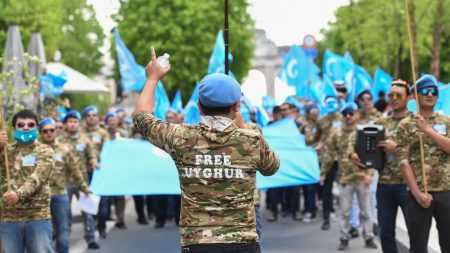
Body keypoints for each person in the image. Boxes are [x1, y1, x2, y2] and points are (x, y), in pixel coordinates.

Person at [133, 48, 280, 253]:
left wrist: (152, 78)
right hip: (242, 242)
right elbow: (272, 167)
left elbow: (142, 119)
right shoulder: (252, 140)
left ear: (200, 106)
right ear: (237, 106)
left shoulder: (180, 137)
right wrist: (244, 128)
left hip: (197, 242)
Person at [397, 75, 450, 253]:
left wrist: (428, 130)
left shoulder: (446, 122)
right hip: (419, 193)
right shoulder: (405, 124)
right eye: (425, 91)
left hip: (446, 191)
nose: (430, 95)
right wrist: (418, 193)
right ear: (416, 95)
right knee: (418, 247)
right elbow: (403, 162)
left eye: (434, 91)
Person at [321, 103, 378, 250]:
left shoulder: (364, 132)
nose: (348, 116)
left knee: (366, 211)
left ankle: (369, 237)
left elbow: (372, 154)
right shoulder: (336, 134)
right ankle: (344, 238)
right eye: (345, 113)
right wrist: (323, 173)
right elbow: (328, 154)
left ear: (357, 115)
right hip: (345, 178)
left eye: (351, 113)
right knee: (344, 212)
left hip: (362, 177)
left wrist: (370, 174)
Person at [0, 110, 55, 253]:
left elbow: (38, 178)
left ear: (36, 129)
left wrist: (18, 194)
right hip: (10, 219)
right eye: (21, 124)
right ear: (14, 129)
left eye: (30, 124)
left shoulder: (45, 150)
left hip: (37, 217)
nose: (25, 127)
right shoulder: (5, 151)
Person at [39, 117, 91, 253]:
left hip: (60, 195)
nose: (49, 133)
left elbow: (75, 170)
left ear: (56, 131)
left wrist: (84, 187)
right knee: (44, 228)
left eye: (52, 130)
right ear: (40, 133)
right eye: (45, 131)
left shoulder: (64, 149)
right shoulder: (35, 150)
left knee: (63, 227)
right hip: (40, 198)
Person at [374, 80, 411, 253]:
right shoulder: (380, 122)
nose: (394, 99)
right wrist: (357, 155)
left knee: (416, 232)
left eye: (398, 95)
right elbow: (359, 142)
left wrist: (397, 148)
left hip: (409, 186)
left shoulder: (415, 122)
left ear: (408, 97)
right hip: (384, 185)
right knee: (386, 232)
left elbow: (425, 150)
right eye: (391, 95)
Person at [59, 110, 100, 249]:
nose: (73, 124)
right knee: (64, 212)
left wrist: (94, 161)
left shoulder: (85, 140)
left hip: (82, 182)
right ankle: (64, 240)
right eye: (70, 122)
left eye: (75, 122)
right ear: (65, 125)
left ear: (79, 124)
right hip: (64, 182)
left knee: (87, 212)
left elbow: (92, 155)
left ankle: (90, 238)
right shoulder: (60, 141)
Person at [80, 106, 111, 238]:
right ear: (85, 118)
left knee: (103, 203)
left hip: (101, 172)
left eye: (94, 114)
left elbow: (110, 151)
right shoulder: (80, 133)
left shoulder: (103, 133)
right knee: (88, 203)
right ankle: (89, 230)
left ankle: (102, 227)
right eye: (88, 115)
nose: (91, 117)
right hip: (85, 172)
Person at [317, 96, 342, 230]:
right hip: (328, 159)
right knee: (327, 189)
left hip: (343, 158)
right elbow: (316, 138)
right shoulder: (321, 121)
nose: (331, 105)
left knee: (345, 188)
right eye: (329, 103)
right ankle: (326, 217)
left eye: (334, 103)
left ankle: (349, 221)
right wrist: (318, 145)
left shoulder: (344, 118)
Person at [104, 112, 127, 229]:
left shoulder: (123, 134)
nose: (112, 122)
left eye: (114, 120)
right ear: (107, 122)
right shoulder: (103, 134)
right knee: (105, 195)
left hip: (119, 169)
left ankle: (120, 219)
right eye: (110, 120)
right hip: (105, 168)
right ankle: (104, 217)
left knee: (119, 196)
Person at [299, 103, 322, 222]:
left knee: (317, 186)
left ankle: (313, 209)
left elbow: (326, 138)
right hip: (307, 159)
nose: (315, 114)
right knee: (308, 185)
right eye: (313, 112)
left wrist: (321, 145)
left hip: (320, 159)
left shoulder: (322, 124)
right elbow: (297, 138)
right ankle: (309, 208)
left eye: (317, 111)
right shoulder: (304, 125)